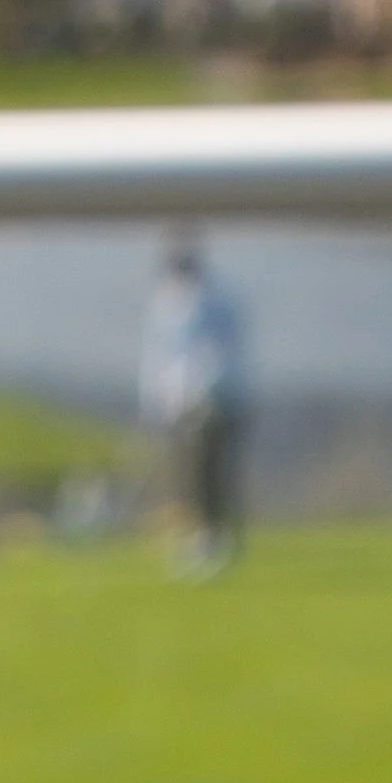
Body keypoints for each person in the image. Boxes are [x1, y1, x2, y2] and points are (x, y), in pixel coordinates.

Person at [139, 236, 248, 575]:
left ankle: (214, 539)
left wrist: (205, 392)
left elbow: (220, 351)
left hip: (218, 400)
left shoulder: (217, 300)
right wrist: (158, 399)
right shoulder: (166, 301)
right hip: (179, 404)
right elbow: (161, 356)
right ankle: (194, 537)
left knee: (211, 474)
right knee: (184, 474)